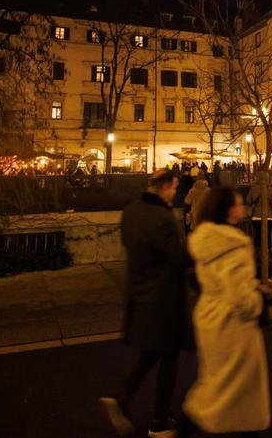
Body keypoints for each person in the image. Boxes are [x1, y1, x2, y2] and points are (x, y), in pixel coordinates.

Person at [173, 187, 270, 438]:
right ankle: (186, 424)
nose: (243, 207)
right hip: (233, 327)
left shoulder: (204, 239)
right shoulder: (233, 245)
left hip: (209, 317)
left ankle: (186, 424)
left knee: (215, 383)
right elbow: (239, 294)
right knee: (239, 389)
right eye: (239, 203)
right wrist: (259, 300)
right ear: (229, 210)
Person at [100, 168, 189, 437]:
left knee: (152, 353)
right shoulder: (163, 218)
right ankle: (159, 422)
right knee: (169, 357)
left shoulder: (131, 212)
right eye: (174, 188)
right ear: (165, 186)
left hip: (139, 294)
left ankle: (122, 396)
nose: (175, 194)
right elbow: (178, 259)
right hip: (163, 300)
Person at [245, 170, 272, 251]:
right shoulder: (270, 189)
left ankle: (258, 254)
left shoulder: (253, 189)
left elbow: (248, 200)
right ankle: (267, 256)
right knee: (267, 236)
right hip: (268, 217)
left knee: (258, 235)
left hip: (256, 217)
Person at [184, 167, 210, 233]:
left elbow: (187, 201)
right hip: (206, 216)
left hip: (195, 217)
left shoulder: (193, 191)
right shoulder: (209, 190)